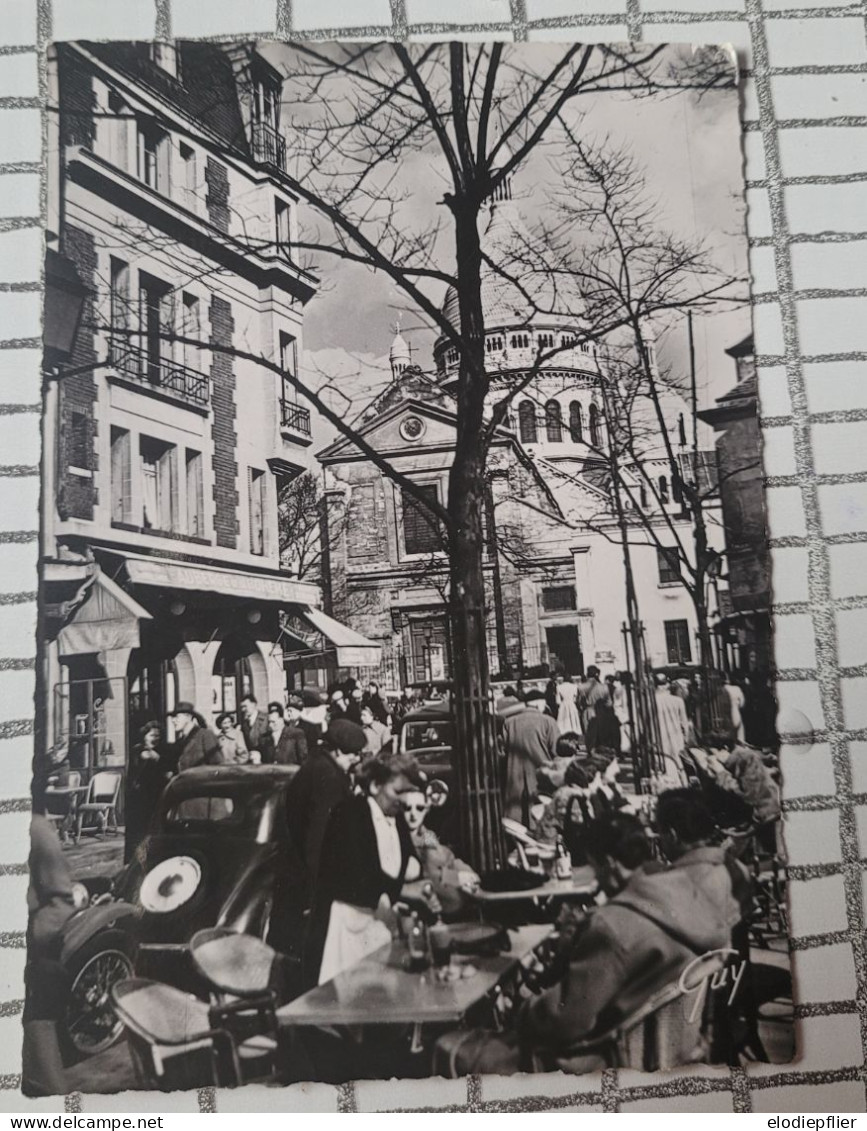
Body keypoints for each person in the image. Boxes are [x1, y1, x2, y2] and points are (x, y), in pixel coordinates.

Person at [440, 810, 740, 1076]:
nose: (596, 879)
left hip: (602, 1060)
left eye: (596, 867)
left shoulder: (612, 926)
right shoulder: (685, 897)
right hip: (670, 1050)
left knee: (449, 1046)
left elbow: (564, 1019)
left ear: (609, 863)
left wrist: (522, 1006)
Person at [308, 753, 422, 985]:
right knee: (349, 997)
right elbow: (355, 874)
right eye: (398, 791)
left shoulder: (397, 819)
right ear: (375, 785)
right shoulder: (349, 813)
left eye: (407, 792)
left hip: (381, 924)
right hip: (347, 926)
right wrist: (401, 890)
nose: (403, 799)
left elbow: (409, 862)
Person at [23, 778, 77, 1095]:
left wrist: (27, 944)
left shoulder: (35, 830)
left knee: (45, 1082)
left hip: (26, 961)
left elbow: (60, 901)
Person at [285, 719, 366, 914]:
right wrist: (316, 892)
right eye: (352, 753)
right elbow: (318, 837)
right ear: (337, 751)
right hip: (318, 882)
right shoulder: (328, 777)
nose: (356, 759)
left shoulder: (317, 765)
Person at [401, 783, 479, 919]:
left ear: (426, 810)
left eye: (419, 808)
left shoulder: (427, 834)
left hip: (442, 884)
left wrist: (464, 871)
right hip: (426, 892)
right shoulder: (400, 838)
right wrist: (456, 877)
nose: (413, 814)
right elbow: (424, 872)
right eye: (407, 808)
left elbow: (445, 858)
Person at [502, 690, 559, 823]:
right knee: (541, 812)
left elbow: (502, 750)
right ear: (540, 703)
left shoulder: (509, 722)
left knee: (515, 814)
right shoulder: (548, 721)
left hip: (514, 773)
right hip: (541, 773)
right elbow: (556, 750)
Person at [125, 720, 170, 862]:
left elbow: (167, 772)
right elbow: (134, 772)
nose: (155, 738)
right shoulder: (137, 750)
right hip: (139, 799)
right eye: (152, 735)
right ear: (144, 736)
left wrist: (159, 759)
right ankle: (134, 862)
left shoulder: (162, 752)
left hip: (156, 797)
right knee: (138, 831)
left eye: (158, 735)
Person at [171, 702, 221, 770]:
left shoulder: (205, 735)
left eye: (177, 717)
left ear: (188, 717)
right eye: (172, 717)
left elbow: (217, 765)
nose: (173, 720)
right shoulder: (180, 741)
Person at [654, 674, 691, 766]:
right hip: (676, 739)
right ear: (667, 685)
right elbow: (684, 723)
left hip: (658, 740)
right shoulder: (678, 701)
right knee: (679, 765)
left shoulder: (650, 701)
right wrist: (686, 738)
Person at [267, 700, 307, 766]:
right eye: (269, 722)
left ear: (281, 720)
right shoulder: (265, 738)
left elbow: (303, 758)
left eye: (273, 722)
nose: (270, 725)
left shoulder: (296, 734)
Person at [239, 694, 273, 765]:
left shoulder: (266, 719)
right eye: (242, 707)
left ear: (254, 704)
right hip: (252, 760)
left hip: (266, 759)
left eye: (245, 706)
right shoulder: (244, 723)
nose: (243, 710)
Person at [577, 666, 609, 732]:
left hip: (588, 711)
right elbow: (609, 703)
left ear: (587, 674)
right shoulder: (604, 687)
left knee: (590, 736)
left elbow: (579, 702)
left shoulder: (581, 687)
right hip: (601, 712)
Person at [723, 674, 747, 743]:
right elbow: (742, 704)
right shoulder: (736, 689)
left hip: (723, 719)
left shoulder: (717, 690)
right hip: (735, 714)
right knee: (739, 738)